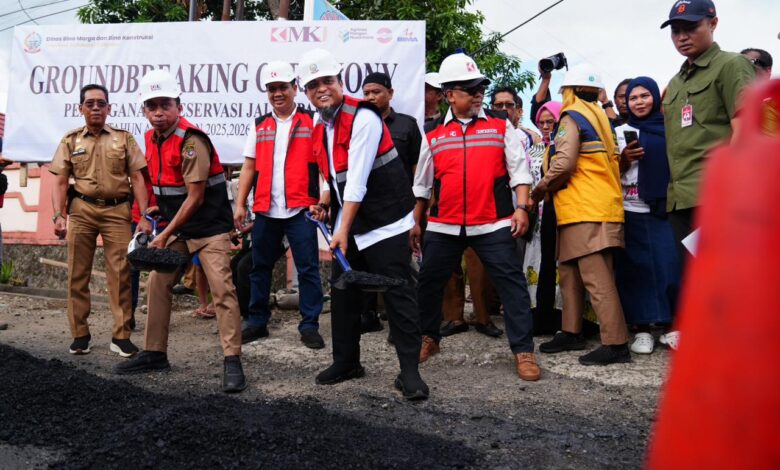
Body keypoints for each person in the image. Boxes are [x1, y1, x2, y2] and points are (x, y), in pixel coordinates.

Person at [300, 48, 428, 400]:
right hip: (351, 221)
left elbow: (356, 180)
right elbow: (333, 174)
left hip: (386, 221)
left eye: (327, 81)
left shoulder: (364, 118)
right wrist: (324, 202)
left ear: (340, 82)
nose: (321, 89)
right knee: (343, 293)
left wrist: (342, 230)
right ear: (306, 92)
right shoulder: (321, 126)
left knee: (398, 292)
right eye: (313, 85)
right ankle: (346, 362)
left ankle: (410, 373)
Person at [114, 70, 246, 393]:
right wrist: (150, 212)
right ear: (144, 110)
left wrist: (163, 234)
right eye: (152, 106)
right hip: (180, 230)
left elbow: (196, 197)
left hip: (209, 229)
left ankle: (232, 360)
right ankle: (155, 353)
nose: (158, 112)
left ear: (178, 106)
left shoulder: (191, 141)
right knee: (158, 281)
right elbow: (159, 184)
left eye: (165, 105)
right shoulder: (150, 139)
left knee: (222, 290)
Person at [412, 52, 540, 382]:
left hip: (493, 222)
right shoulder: (432, 132)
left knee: (512, 285)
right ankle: (429, 338)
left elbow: (520, 171)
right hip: (444, 224)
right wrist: (415, 221)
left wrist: (521, 208)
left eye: (480, 88)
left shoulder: (500, 125)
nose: (478, 94)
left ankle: (523, 350)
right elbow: (422, 184)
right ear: (449, 94)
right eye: (470, 89)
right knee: (428, 283)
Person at [532, 64, 631, 365]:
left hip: (585, 209)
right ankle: (571, 330)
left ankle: (616, 343)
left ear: (569, 91)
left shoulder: (571, 116)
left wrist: (540, 188)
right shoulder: (601, 117)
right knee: (569, 273)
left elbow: (564, 163)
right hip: (587, 207)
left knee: (596, 279)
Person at [49, 83, 150, 358]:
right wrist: (58, 215)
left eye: (101, 103)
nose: (95, 108)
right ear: (80, 108)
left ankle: (121, 336)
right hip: (82, 211)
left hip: (117, 212)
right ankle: (80, 335)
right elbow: (60, 181)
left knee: (120, 274)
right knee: (77, 274)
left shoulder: (124, 139)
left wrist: (144, 216)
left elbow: (138, 178)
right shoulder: (70, 140)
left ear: (109, 108)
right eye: (90, 103)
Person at [234, 61, 327, 349]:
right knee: (259, 267)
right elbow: (249, 166)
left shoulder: (313, 120)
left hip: (301, 208)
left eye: (283, 87)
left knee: (308, 268)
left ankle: (309, 325)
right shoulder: (260, 124)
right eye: (272, 88)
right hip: (266, 209)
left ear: (295, 88)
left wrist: (323, 200)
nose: (277, 93)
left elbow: (324, 165)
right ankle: (257, 321)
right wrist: (240, 204)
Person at [660, 0, 755, 271]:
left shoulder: (732, 64)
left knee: (728, 276)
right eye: (676, 31)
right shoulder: (675, 82)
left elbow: (746, 130)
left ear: (713, 23)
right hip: (680, 200)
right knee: (697, 280)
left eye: (690, 27)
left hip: (716, 196)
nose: (682, 37)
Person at [614, 77, 681, 353]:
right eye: (633, 98)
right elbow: (607, 172)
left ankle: (670, 326)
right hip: (629, 209)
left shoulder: (670, 128)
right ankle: (642, 329)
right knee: (635, 270)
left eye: (644, 96)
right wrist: (624, 160)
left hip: (662, 208)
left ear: (655, 97)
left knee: (669, 267)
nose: (639, 102)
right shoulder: (619, 132)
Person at [359, 71, 424, 333]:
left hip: (400, 209)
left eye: (376, 92)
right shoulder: (358, 124)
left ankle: (402, 328)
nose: (370, 97)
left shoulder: (407, 125)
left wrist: (416, 211)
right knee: (365, 264)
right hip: (367, 208)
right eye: (366, 93)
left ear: (390, 93)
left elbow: (418, 170)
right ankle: (368, 316)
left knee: (399, 269)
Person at [525, 101, 564, 334]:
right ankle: (539, 316)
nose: (546, 126)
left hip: (562, 215)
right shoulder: (533, 151)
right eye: (542, 122)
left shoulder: (567, 146)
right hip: (537, 220)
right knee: (537, 266)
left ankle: (564, 318)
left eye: (551, 121)